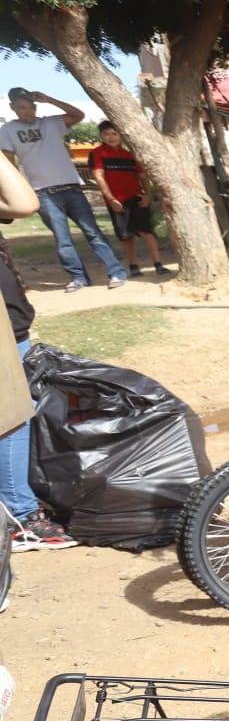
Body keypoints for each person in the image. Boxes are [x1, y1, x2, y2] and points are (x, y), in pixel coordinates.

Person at [1, 151, 72, 552]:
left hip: (11, 322)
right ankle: (20, 518)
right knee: (13, 416)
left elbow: (20, 202)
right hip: (4, 331)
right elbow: (26, 203)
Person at [1, 88, 125, 292]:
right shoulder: (7, 131)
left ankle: (116, 272)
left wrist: (50, 98)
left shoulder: (51, 123)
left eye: (31, 107)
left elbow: (78, 115)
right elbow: (8, 164)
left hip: (71, 188)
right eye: (23, 107)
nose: (29, 111)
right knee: (62, 239)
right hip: (42, 192)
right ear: (12, 107)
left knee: (93, 232)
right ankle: (78, 278)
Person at [87, 121, 166, 277]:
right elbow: (99, 177)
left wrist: (148, 194)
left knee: (146, 231)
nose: (111, 137)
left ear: (121, 135)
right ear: (101, 136)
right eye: (106, 134)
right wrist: (110, 199)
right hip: (116, 201)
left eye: (114, 133)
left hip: (136, 197)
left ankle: (158, 265)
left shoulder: (130, 155)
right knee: (126, 235)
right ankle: (133, 266)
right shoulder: (97, 154)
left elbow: (142, 176)